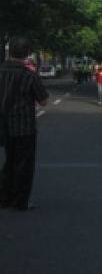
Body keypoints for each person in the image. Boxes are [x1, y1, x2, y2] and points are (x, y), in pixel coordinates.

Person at [0, 37, 49, 210]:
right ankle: (20, 201)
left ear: (10, 51)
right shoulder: (29, 75)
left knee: (9, 161)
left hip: (3, 125)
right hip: (24, 126)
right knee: (24, 164)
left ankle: (4, 198)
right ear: (27, 53)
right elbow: (43, 100)